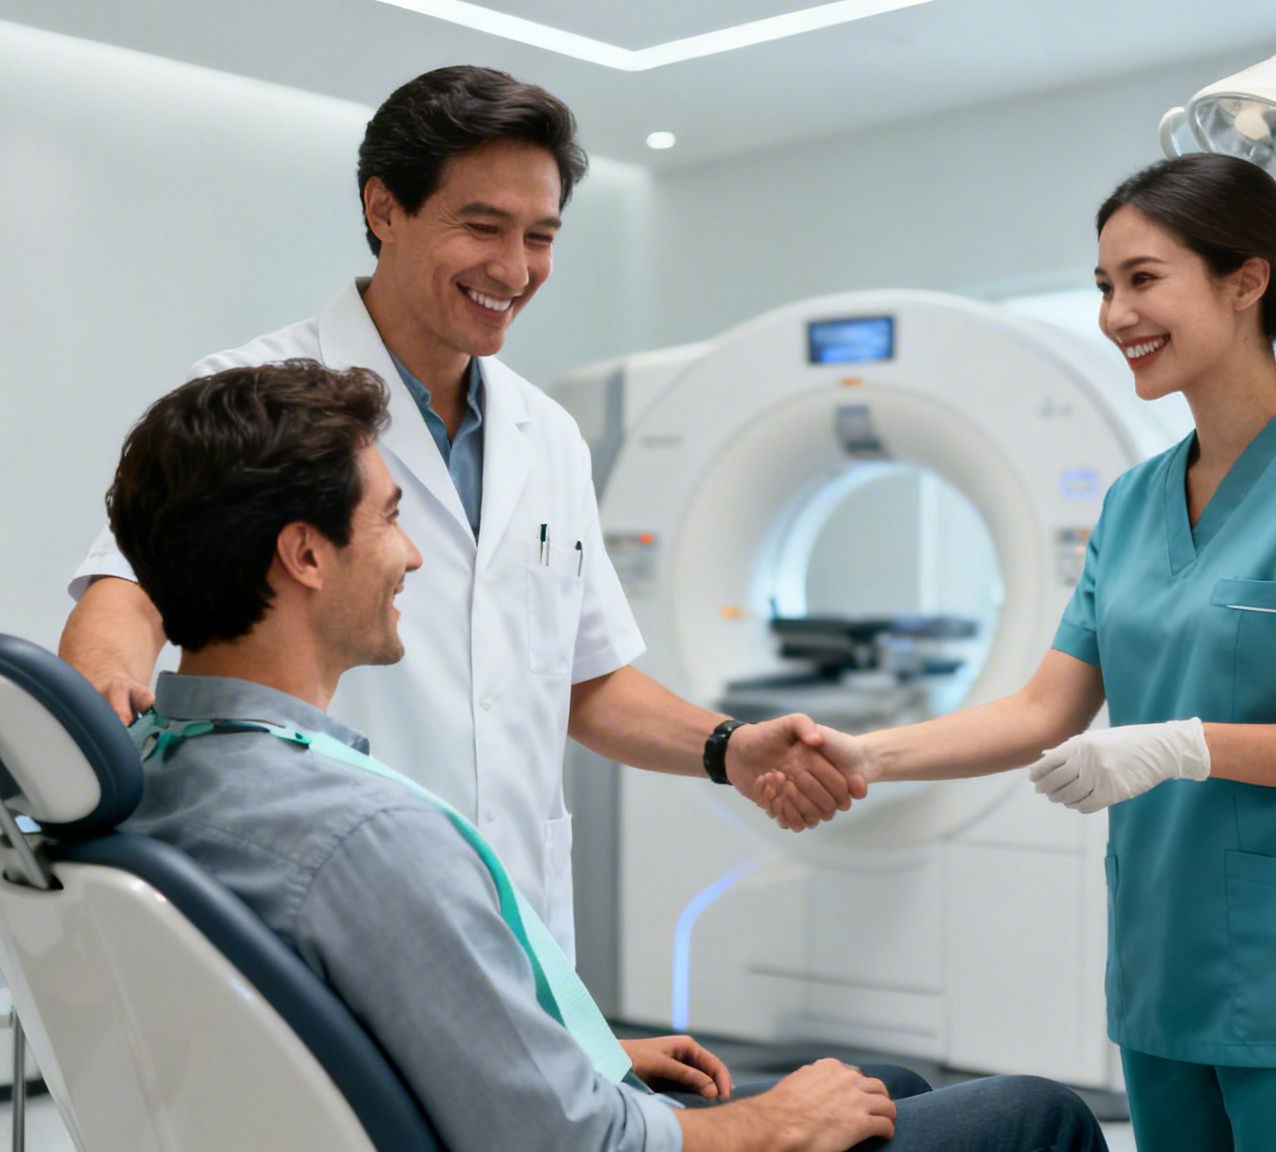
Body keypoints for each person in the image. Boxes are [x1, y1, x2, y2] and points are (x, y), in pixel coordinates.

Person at [105, 359, 1107, 1152]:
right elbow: (563, 1140)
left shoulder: (168, 779)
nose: (410, 555)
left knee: (889, 1092)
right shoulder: (360, 836)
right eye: (391, 519)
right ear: (306, 556)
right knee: (1032, 1116)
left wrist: (568, 1043)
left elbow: (336, 1038)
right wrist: (767, 1124)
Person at [59, 65, 855, 957]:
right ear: (384, 209)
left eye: (541, 237)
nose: (514, 270)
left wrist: (730, 748)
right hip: (338, 888)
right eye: (482, 226)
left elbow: (586, 680)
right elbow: (128, 589)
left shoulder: (547, 436)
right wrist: (95, 721)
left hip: (516, 912)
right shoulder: (251, 397)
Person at [801, 154, 1276, 1152]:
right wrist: (872, 756)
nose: (1113, 314)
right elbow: (1042, 711)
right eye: (1103, 286)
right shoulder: (1133, 500)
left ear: (1244, 281)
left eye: (1142, 279)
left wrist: (1183, 745)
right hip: (1162, 960)